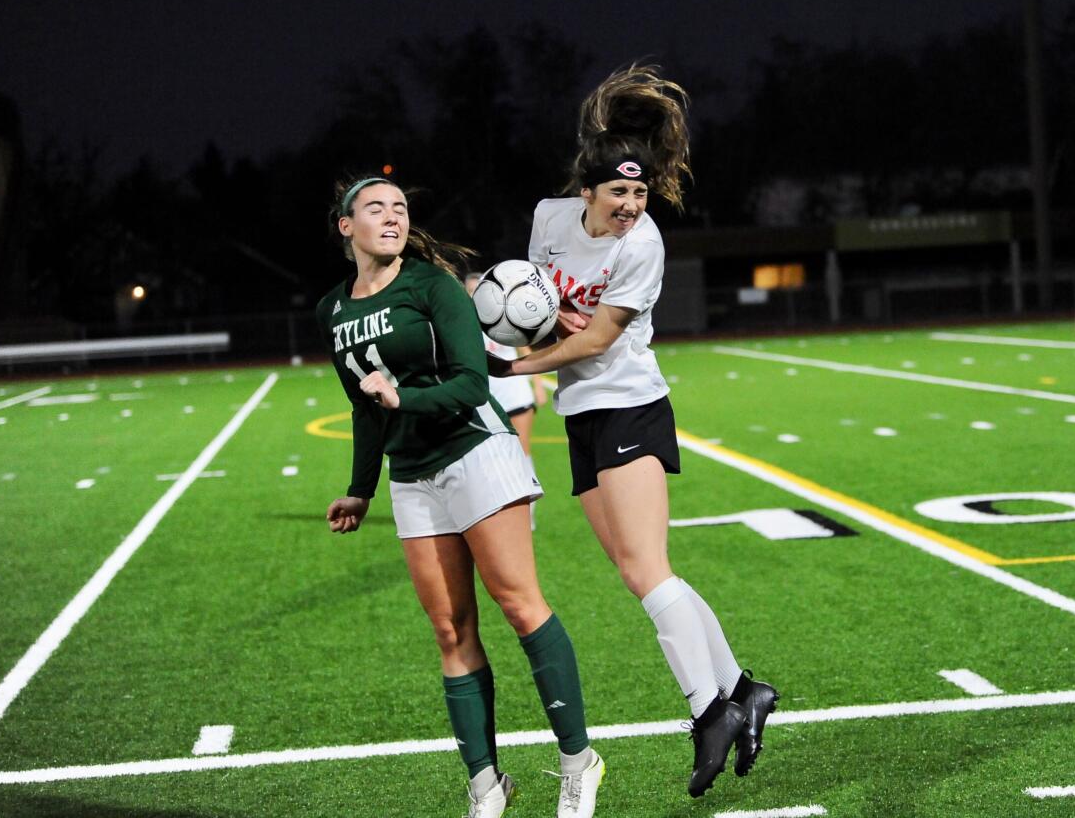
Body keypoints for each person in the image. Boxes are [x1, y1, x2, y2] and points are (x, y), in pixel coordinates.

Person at [489, 66, 779, 799]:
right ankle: (745, 688)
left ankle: (710, 709)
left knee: (650, 569)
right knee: (639, 573)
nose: (629, 205)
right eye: (617, 192)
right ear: (584, 192)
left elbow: (595, 342)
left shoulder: (643, 244)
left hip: (630, 406)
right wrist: (546, 320)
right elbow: (546, 304)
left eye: (639, 192)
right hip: (581, 414)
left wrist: (517, 358)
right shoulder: (548, 220)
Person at [317, 175, 603, 818]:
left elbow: (475, 385)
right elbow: (363, 410)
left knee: (520, 606)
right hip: (412, 475)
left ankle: (578, 762)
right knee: (450, 629)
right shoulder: (332, 310)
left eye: (400, 207)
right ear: (346, 226)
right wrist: (361, 490)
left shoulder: (433, 287)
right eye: (375, 208)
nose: (391, 216)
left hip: (476, 456)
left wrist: (405, 399)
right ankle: (486, 786)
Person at [464, 272, 549, 527]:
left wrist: (538, 384)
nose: (473, 294)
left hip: (514, 393)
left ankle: (527, 512)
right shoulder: (461, 322)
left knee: (520, 454)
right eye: (469, 290)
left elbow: (523, 349)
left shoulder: (502, 316)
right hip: (485, 398)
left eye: (478, 289)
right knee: (488, 457)